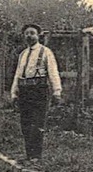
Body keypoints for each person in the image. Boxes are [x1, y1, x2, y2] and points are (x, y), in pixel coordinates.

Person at [8, 23, 62, 163]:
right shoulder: (23, 54)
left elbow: (53, 72)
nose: (29, 36)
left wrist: (57, 91)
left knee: (37, 123)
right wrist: (14, 93)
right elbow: (18, 75)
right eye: (26, 33)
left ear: (38, 36)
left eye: (32, 33)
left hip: (39, 91)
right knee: (25, 123)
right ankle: (28, 154)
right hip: (25, 91)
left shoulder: (46, 52)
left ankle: (36, 157)